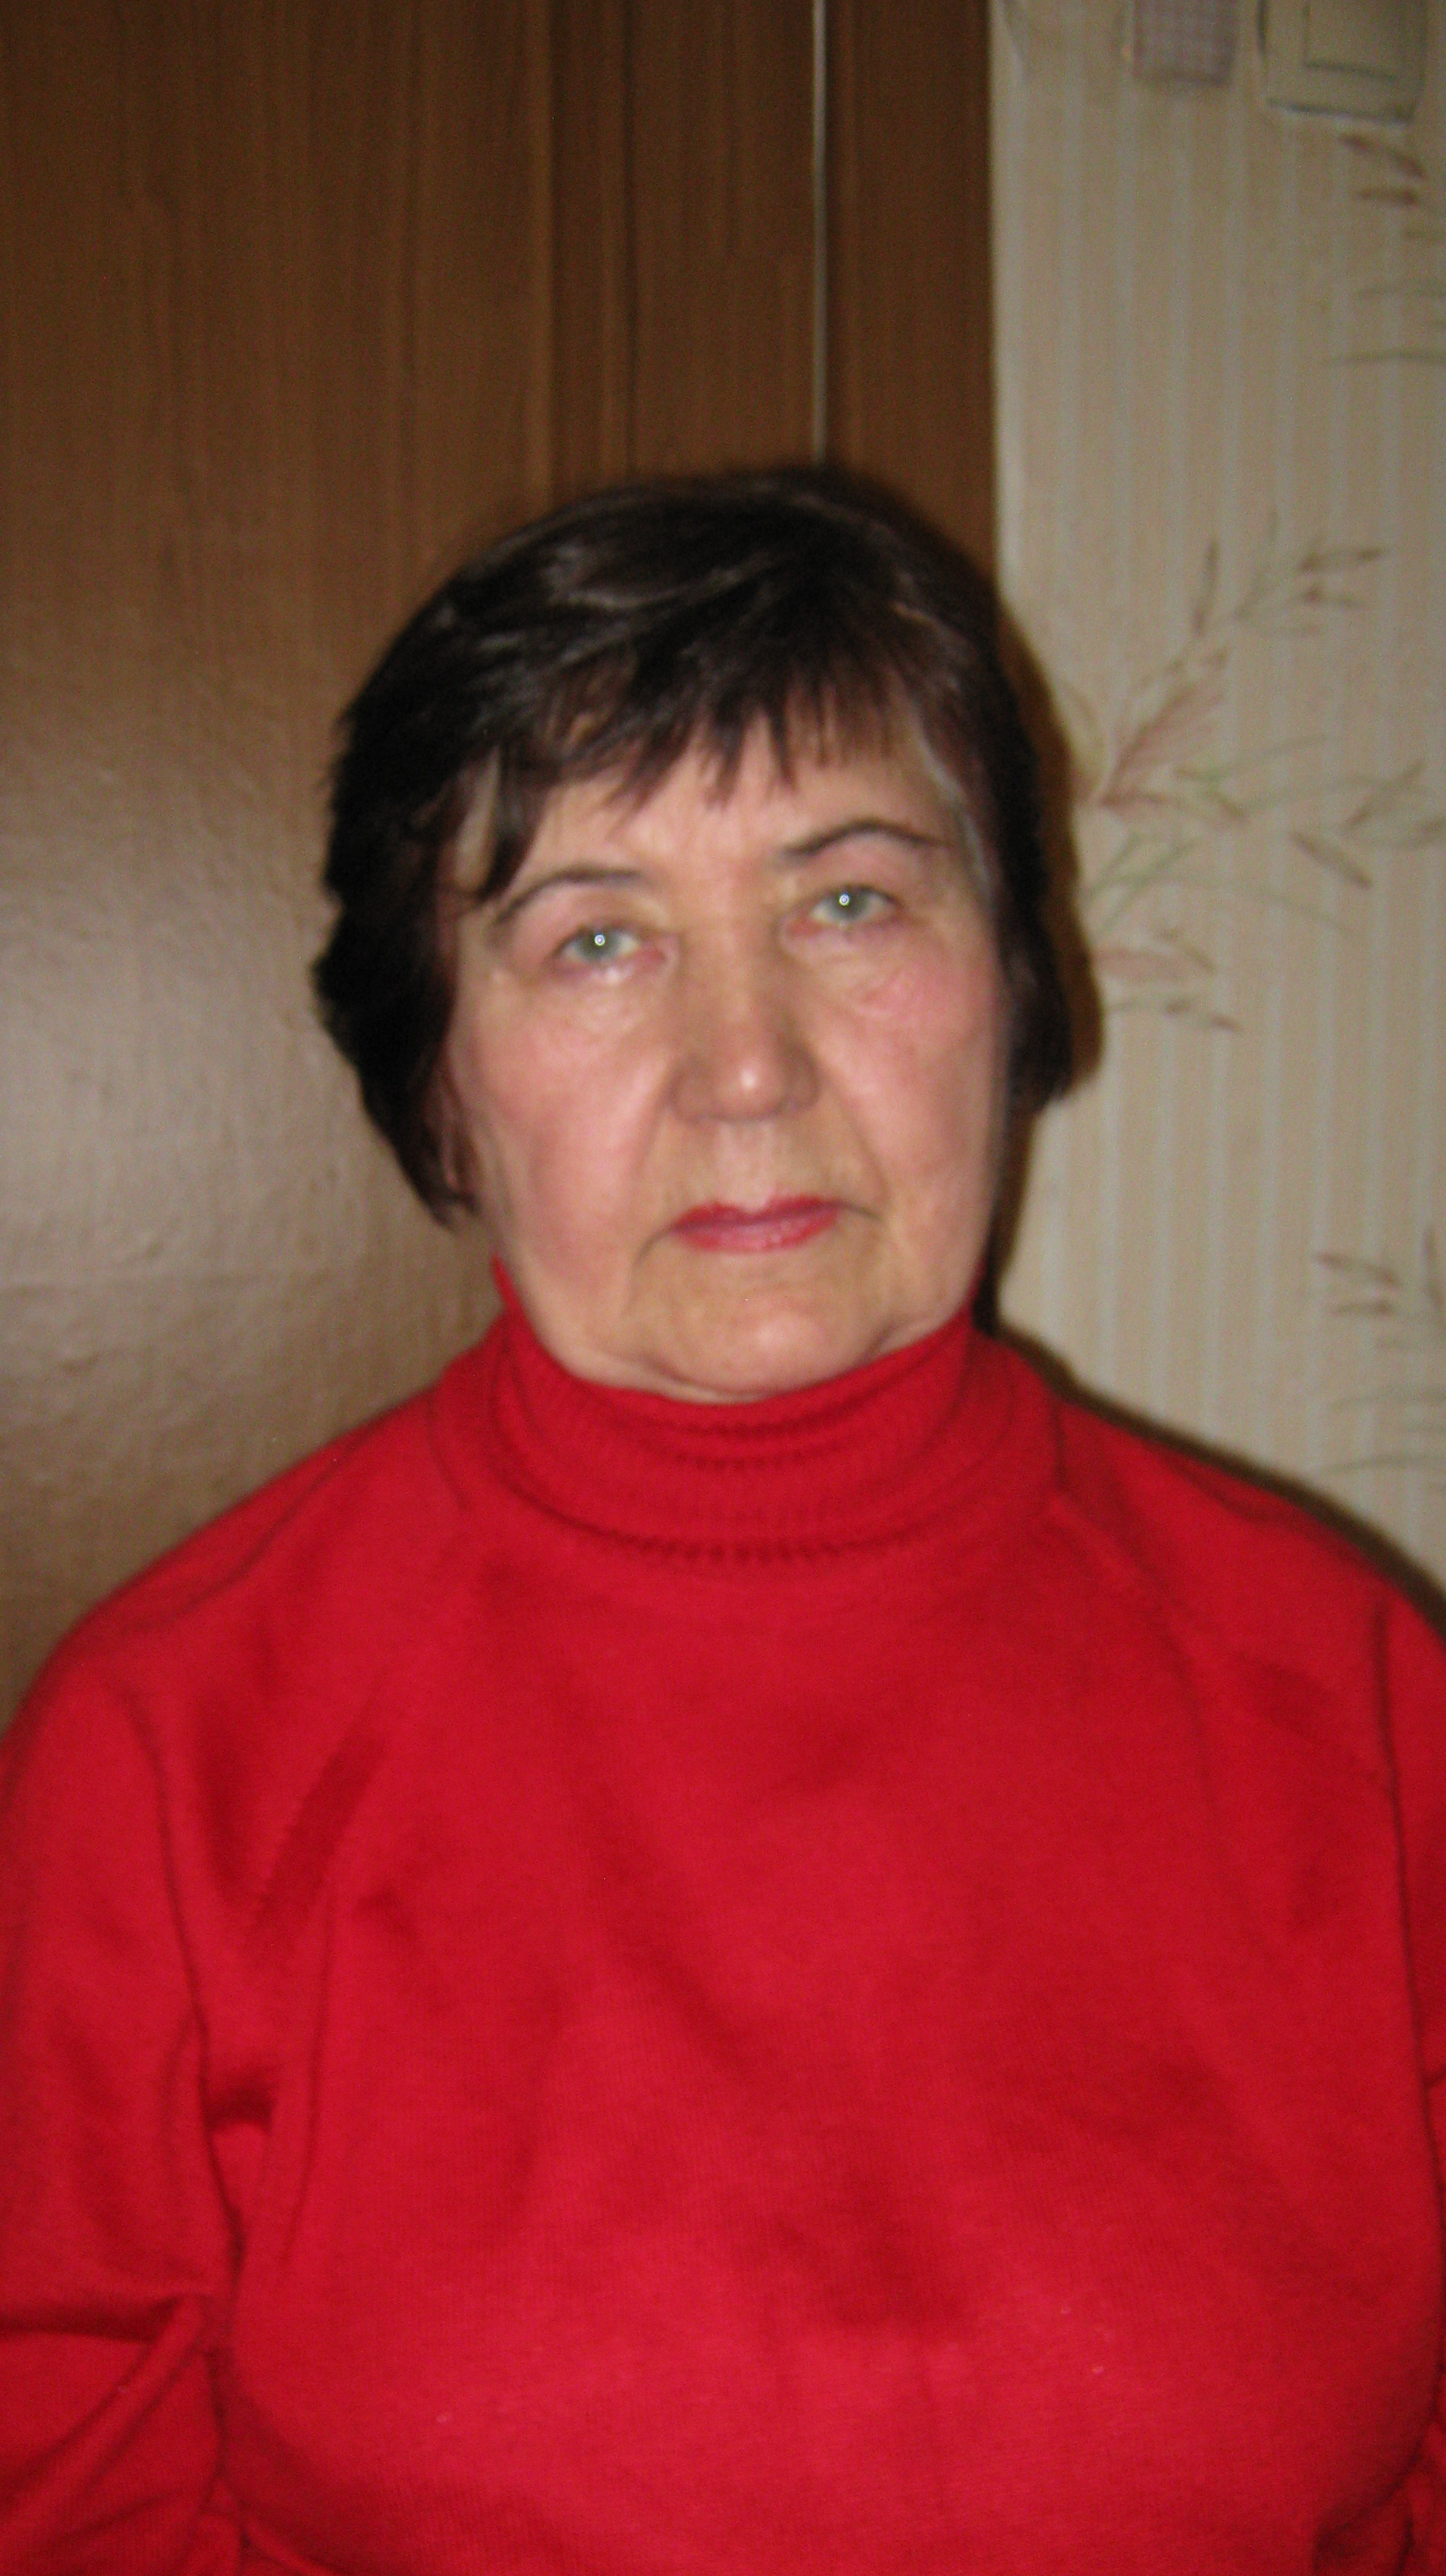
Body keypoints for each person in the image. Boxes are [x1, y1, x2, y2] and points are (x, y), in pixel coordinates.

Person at [2, 468, 1445, 2576]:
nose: (746, 1067)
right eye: (597, 940)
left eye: (849, 902)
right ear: (438, 1084)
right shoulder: (165, 1758)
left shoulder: (1358, 1701)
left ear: (1016, 980)